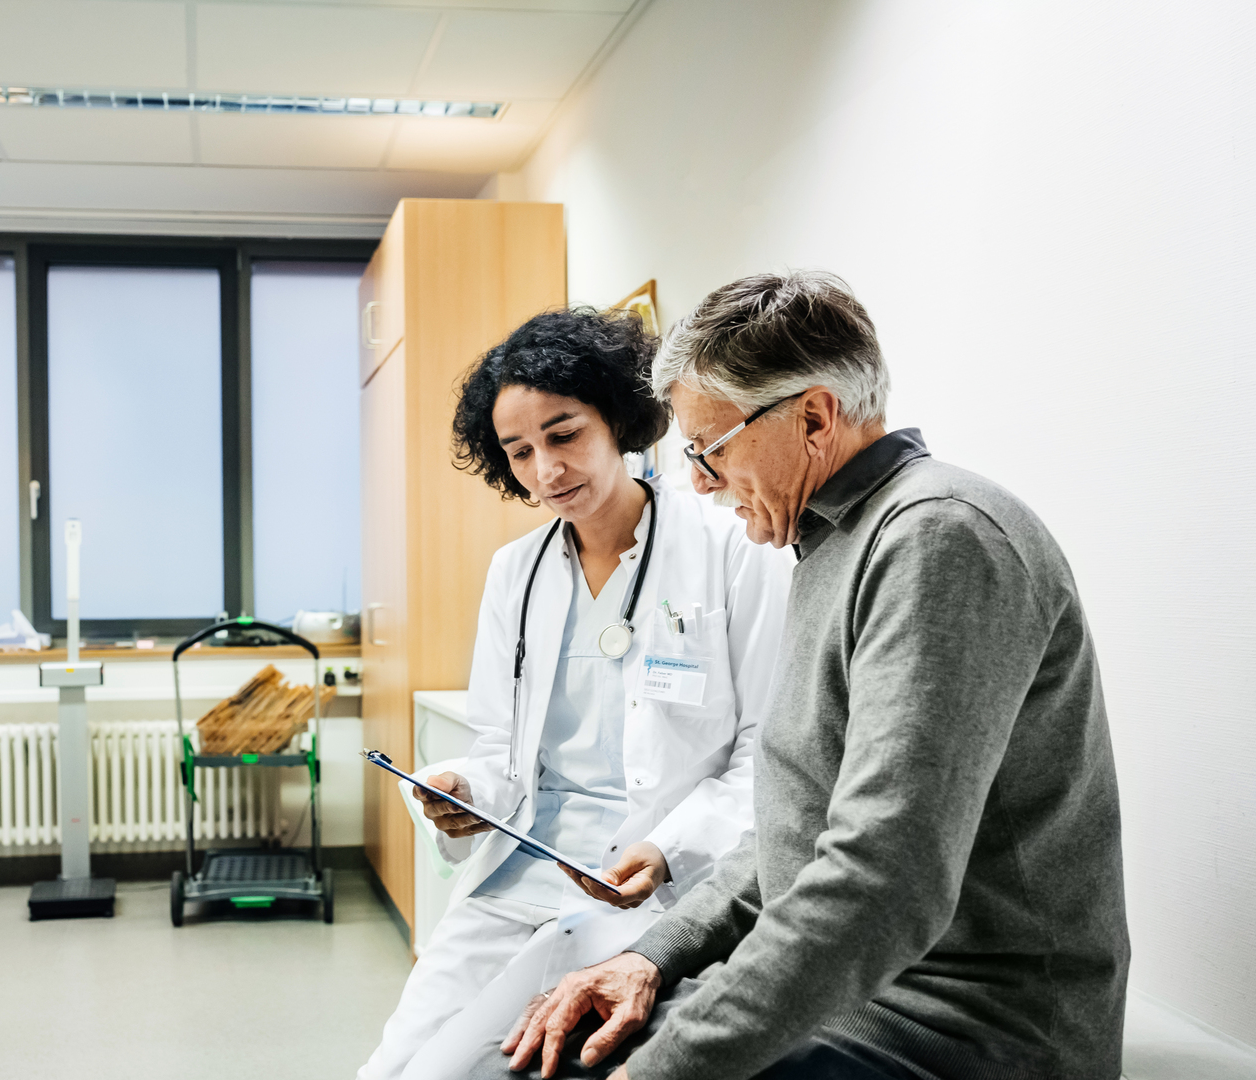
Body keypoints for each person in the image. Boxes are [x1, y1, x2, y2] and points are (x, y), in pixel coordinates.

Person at [486, 272, 1129, 1080]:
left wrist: (666, 1065)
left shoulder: (940, 542)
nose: (699, 483)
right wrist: (656, 957)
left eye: (710, 450)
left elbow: (882, 884)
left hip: (957, 1027)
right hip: (853, 993)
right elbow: (797, 828)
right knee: (520, 1058)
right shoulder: (832, 546)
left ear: (815, 417)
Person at [358, 307, 793, 1080]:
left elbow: (769, 755)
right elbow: (501, 748)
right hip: (516, 873)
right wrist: (464, 787)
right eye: (519, 451)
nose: (545, 472)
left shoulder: (728, 552)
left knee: (454, 1072)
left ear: (619, 420)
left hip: (642, 887)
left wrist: (665, 848)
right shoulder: (515, 573)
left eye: (564, 435)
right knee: (391, 1066)